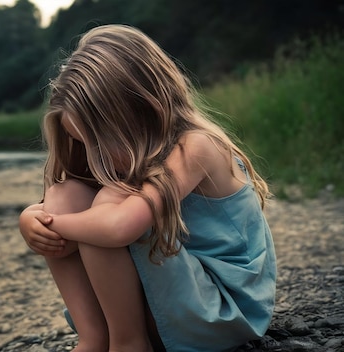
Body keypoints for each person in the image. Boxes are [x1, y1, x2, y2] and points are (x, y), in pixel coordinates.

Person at [18, 24, 276, 352]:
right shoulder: (130, 164)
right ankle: (96, 339)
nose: (95, 158)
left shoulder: (195, 147)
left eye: (101, 142)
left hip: (221, 311)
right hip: (167, 307)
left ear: (143, 108)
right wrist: (34, 218)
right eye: (85, 145)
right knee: (64, 195)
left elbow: (120, 227)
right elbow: (84, 226)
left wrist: (51, 224)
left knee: (108, 212)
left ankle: (129, 344)